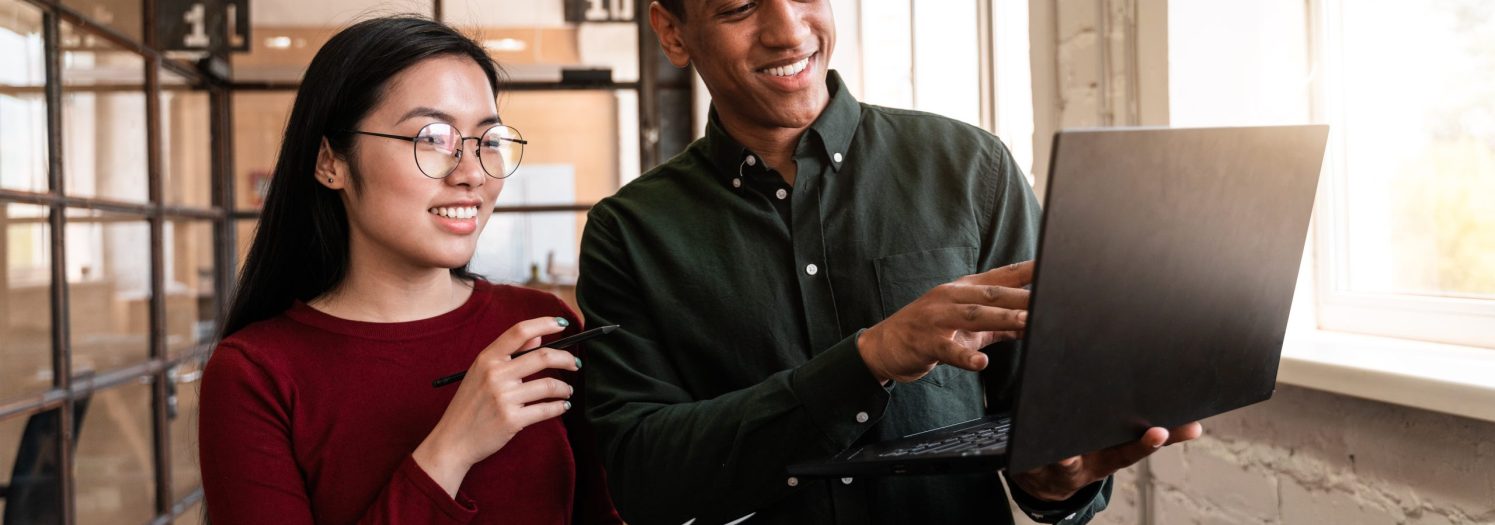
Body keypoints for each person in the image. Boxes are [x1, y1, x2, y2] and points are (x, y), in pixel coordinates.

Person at [575, 1, 1202, 524]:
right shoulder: (629, 232)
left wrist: (1056, 482)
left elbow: (1043, 423)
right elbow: (643, 478)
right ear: (672, 32)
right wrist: (869, 358)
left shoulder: (972, 169)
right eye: (740, 6)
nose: (789, 30)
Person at [199, 16, 621, 525]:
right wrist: (451, 448)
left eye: (487, 141)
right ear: (331, 161)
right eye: (432, 138)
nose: (470, 174)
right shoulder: (255, 373)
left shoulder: (539, 327)